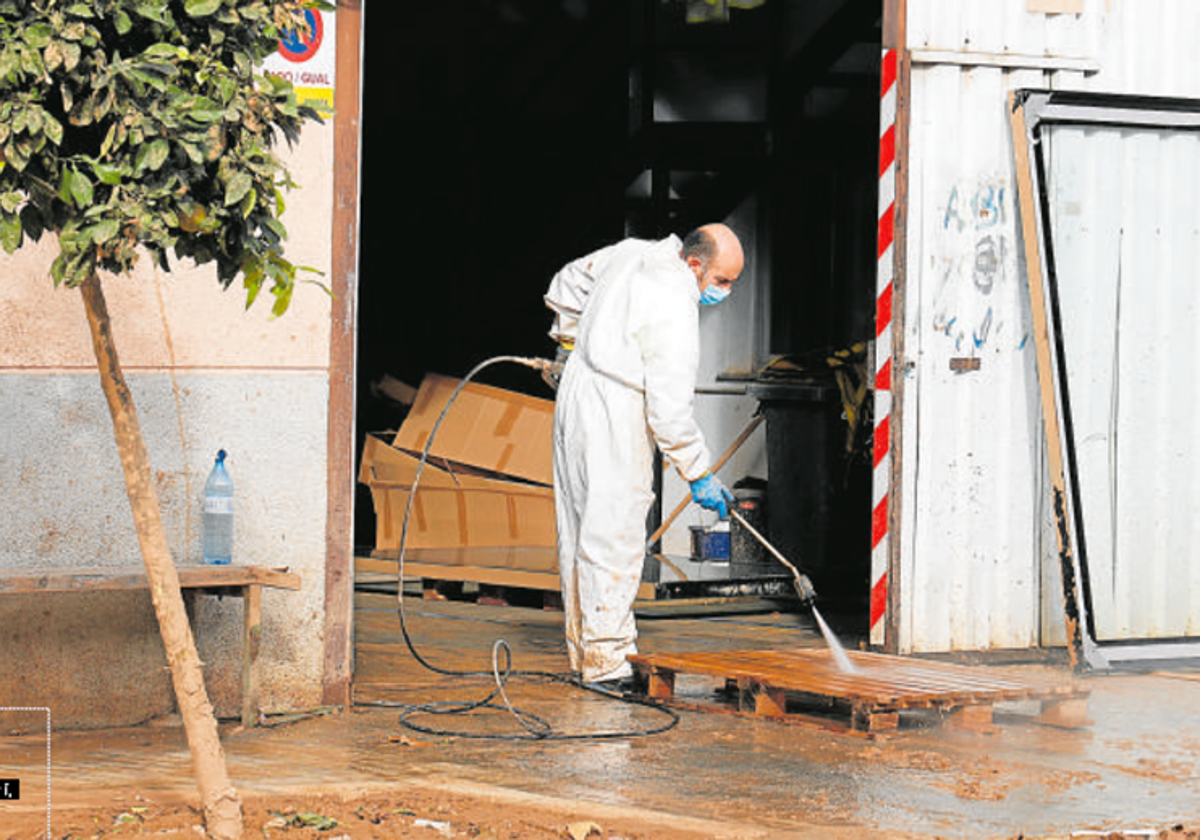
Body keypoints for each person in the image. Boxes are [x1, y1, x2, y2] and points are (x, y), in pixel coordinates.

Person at [545, 223, 745, 691]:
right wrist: (699, 473)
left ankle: (587, 654)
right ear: (694, 264)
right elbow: (670, 411)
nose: (726, 291)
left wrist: (571, 341)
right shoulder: (675, 304)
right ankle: (609, 666)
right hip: (618, 408)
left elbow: (565, 283)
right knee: (613, 535)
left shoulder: (632, 252)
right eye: (721, 280)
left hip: (578, 390)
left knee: (577, 530)